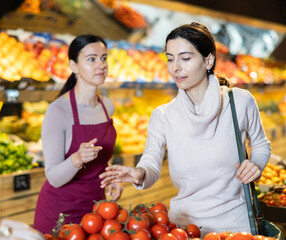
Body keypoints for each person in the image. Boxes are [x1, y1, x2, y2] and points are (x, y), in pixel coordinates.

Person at [99, 22, 271, 236]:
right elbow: (151, 162)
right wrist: (139, 172)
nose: (175, 67)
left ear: (208, 60)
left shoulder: (240, 102)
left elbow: (261, 144)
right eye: (170, 59)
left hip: (235, 228)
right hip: (183, 230)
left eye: (185, 58)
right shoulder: (163, 115)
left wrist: (256, 164)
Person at [34, 34, 123, 234]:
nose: (101, 65)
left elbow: (99, 162)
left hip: (96, 211)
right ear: (74, 66)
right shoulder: (58, 111)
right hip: (60, 214)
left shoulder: (107, 106)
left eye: (104, 58)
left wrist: (110, 179)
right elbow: (54, 177)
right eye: (91, 59)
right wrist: (76, 159)